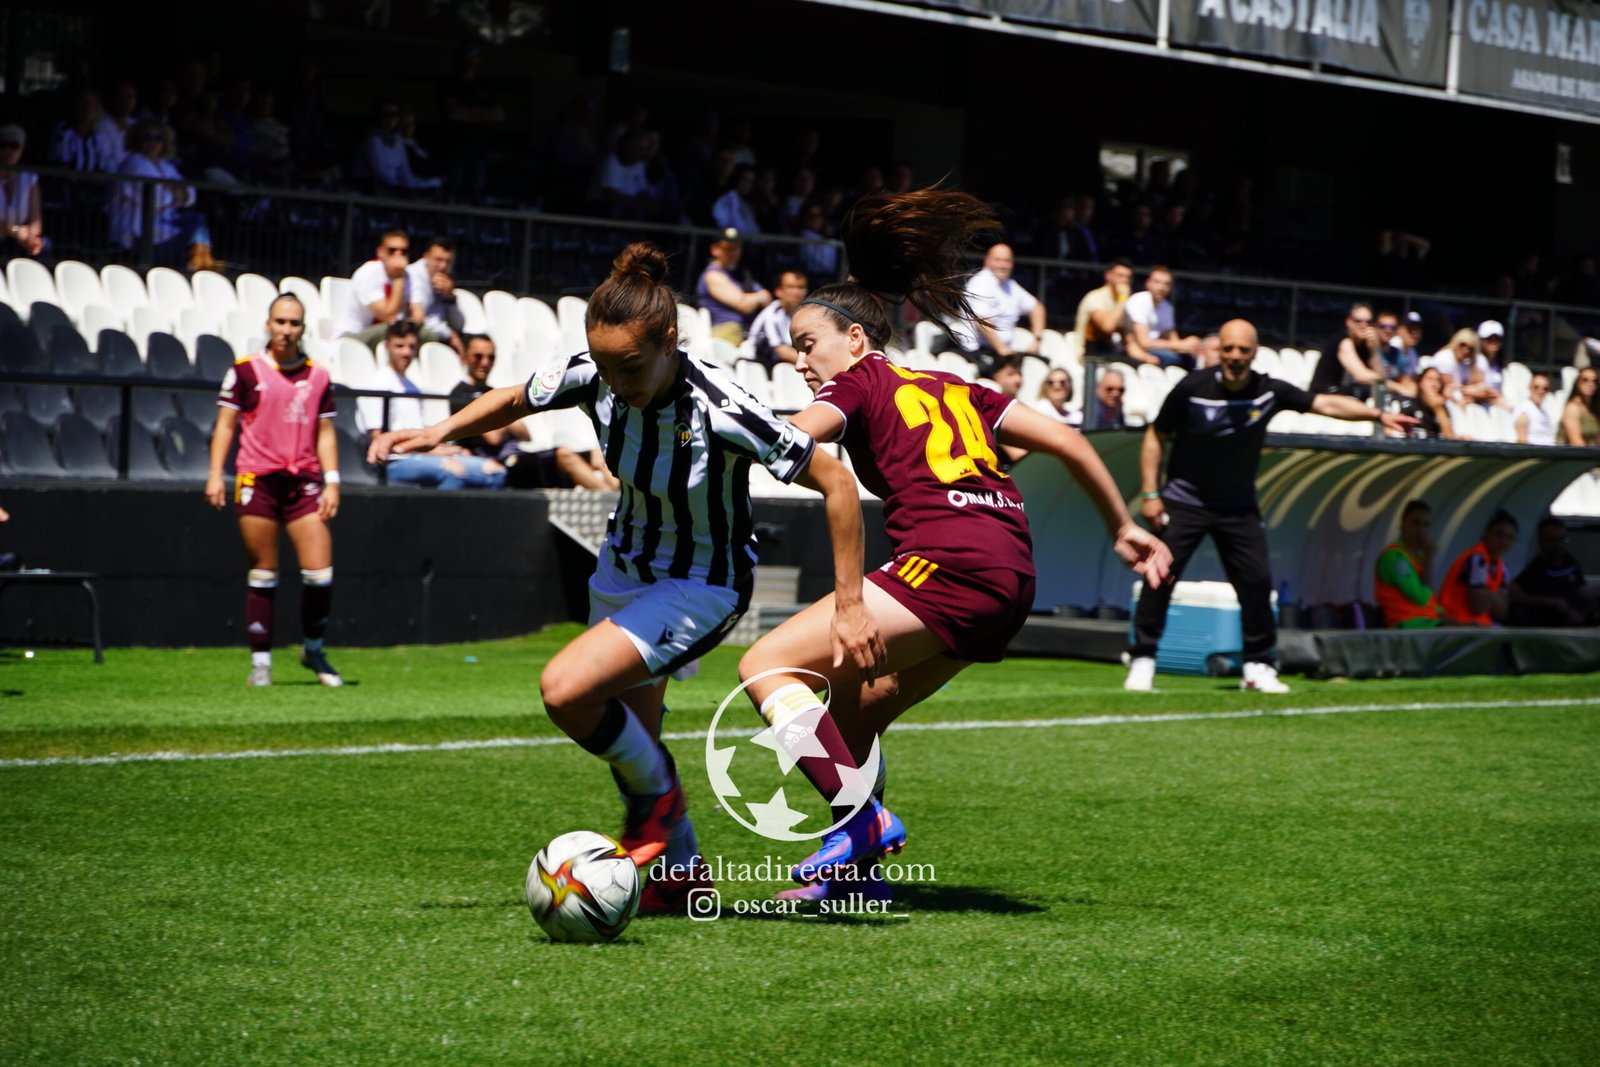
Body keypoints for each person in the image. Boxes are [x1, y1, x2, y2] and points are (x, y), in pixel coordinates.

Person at [367, 241, 878, 915]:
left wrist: (849, 603)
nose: (614, 381)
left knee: (567, 690)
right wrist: (440, 430)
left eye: (629, 365)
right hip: (623, 570)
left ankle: (670, 802)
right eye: (604, 366)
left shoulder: (721, 406)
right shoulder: (597, 371)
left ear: (669, 340)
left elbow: (836, 481)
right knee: (633, 740)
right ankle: (683, 874)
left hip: (704, 583)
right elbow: (516, 396)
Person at [735, 188, 1171, 902]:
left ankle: (857, 822)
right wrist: (1121, 524)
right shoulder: (956, 386)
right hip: (1011, 576)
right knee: (861, 702)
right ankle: (857, 874)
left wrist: (712, 425)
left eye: (807, 344)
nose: (800, 363)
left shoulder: (861, 381)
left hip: (947, 563)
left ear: (858, 341)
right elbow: (1064, 437)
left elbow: (791, 438)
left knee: (765, 665)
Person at [1127, 318, 1416, 693]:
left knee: (1256, 583)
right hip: (1185, 501)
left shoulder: (1267, 391)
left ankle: (1258, 667)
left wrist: (1378, 414)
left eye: (1242, 350)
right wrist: (1151, 494)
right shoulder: (1192, 388)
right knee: (1159, 576)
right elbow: (1155, 435)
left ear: (1254, 353)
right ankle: (1143, 659)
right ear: (1219, 351)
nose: (1234, 356)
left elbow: (1324, 402)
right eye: (1228, 348)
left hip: (1238, 506)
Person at [205, 293, 343, 688]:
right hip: (257, 479)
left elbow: (326, 433)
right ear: (268, 324)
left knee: (320, 574)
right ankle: (261, 661)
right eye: (280, 322)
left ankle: (312, 648)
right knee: (263, 573)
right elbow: (226, 425)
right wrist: (216, 473)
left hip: (303, 483)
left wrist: (332, 481)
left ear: (303, 328)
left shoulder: (318, 375)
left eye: (294, 323)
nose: (286, 330)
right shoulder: (245, 371)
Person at [448, 333, 617, 490]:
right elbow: (493, 437)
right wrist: (510, 419)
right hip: (497, 465)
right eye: (478, 356)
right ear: (464, 358)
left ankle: (623, 500)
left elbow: (526, 434)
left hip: (518, 456)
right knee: (562, 454)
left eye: (491, 357)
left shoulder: (491, 392)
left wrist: (506, 421)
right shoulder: (461, 393)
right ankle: (611, 503)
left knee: (597, 456)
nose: (485, 362)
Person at [360, 322, 505, 490]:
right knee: (453, 471)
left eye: (412, 347)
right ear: (387, 347)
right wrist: (428, 451)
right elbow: (378, 440)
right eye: (399, 346)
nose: (406, 352)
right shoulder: (378, 384)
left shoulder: (411, 386)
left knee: (495, 471)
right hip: (393, 461)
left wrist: (443, 448)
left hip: (418, 455)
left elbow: (419, 431)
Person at [109, 122, 221, 272]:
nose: (152, 142)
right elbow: (154, 199)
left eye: (158, 138)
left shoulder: (165, 165)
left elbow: (190, 195)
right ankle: (200, 262)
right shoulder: (134, 163)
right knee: (195, 226)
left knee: (197, 220)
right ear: (136, 139)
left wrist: (175, 193)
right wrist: (175, 193)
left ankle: (202, 260)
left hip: (163, 226)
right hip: (137, 236)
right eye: (146, 137)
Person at [947, 243, 1046, 360]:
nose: (1003, 265)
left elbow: (1037, 308)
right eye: (998, 260)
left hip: (1002, 352)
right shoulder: (981, 282)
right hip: (978, 353)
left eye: (1007, 261)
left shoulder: (1010, 285)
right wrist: (1003, 351)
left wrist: (1037, 339)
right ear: (987, 261)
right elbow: (981, 320)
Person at [1509, 517, 1598, 626]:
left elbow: (1582, 590)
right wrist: (1551, 602)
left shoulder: (1569, 561)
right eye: (1553, 540)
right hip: (1556, 620)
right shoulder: (1537, 568)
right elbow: (1513, 594)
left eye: (1562, 540)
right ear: (1542, 542)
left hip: (1579, 613)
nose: (1559, 545)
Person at [334, 230, 412, 348]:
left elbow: (414, 313)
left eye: (403, 252)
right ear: (381, 252)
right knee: (397, 332)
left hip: (385, 334)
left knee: (420, 334)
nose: (398, 255)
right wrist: (398, 278)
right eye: (392, 251)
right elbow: (387, 316)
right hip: (354, 335)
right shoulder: (368, 272)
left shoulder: (409, 275)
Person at [1438, 511, 1517, 627]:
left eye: (1509, 537)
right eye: (1499, 534)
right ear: (1487, 533)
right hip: (1456, 622)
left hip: (1479, 625)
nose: (1503, 541)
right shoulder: (1477, 558)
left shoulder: (1502, 567)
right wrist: (1495, 596)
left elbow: (1502, 611)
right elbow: (1477, 606)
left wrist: (1488, 596)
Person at [695, 228, 771, 345]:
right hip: (726, 331)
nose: (732, 253)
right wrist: (757, 298)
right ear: (715, 249)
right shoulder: (713, 275)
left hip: (748, 331)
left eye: (736, 248)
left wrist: (753, 298)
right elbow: (744, 305)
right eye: (727, 248)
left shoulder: (742, 274)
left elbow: (767, 298)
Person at [1374, 499, 1442, 629]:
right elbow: (1420, 598)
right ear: (1403, 524)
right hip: (1406, 629)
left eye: (1426, 525)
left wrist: (1460, 624)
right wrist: (1429, 557)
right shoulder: (1395, 557)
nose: (1421, 531)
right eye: (1415, 524)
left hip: (1426, 626)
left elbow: (1433, 605)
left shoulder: (1416, 559)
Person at [1121, 266, 1200, 369]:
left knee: (1192, 359)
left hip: (1157, 348)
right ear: (1148, 283)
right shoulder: (1139, 301)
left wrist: (1189, 345)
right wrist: (1180, 345)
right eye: (1157, 282)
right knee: (1174, 360)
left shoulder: (1167, 307)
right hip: (1135, 348)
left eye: (1166, 284)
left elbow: (1172, 337)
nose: (1161, 287)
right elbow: (1144, 342)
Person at [1310, 302, 1385, 399]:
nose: (1364, 325)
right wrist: (1396, 387)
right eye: (1358, 321)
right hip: (1324, 394)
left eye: (1368, 322)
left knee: (1375, 392)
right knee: (1364, 391)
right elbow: (1362, 376)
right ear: (1349, 322)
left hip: (1344, 393)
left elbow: (1380, 376)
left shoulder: (1365, 345)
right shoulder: (1343, 341)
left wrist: (1374, 350)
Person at [364, 99, 442, 192]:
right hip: (379, 188)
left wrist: (408, 188)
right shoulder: (374, 139)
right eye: (387, 114)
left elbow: (404, 170)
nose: (391, 118)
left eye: (395, 114)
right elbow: (380, 172)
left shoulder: (397, 140)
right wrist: (398, 187)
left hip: (398, 188)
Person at [405, 236, 466, 351]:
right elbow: (421, 318)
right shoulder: (413, 276)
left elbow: (459, 325)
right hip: (417, 330)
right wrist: (449, 334)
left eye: (448, 261)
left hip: (440, 330)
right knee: (433, 337)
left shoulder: (446, 281)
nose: (443, 266)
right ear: (426, 257)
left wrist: (450, 297)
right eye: (438, 260)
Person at [0, 125, 45, 261]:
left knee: (41, 249)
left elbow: (35, 219)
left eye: (14, 146)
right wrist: (16, 231)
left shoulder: (29, 179)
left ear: (21, 150)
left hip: (20, 242)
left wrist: (31, 235)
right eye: (3, 145)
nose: (8, 151)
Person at [746, 269, 807, 367]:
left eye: (800, 287)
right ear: (778, 291)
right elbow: (781, 351)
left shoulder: (801, 316)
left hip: (780, 367)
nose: (796, 292)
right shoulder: (771, 314)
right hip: (756, 366)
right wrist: (812, 362)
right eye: (790, 287)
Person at [1074, 259, 1133, 360]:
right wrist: (1122, 298)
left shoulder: (1123, 302)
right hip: (1089, 354)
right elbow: (1107, 326)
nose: (1125, 281)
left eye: (1128, 277)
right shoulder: (1095, 297)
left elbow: (1128, 338)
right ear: (1108, 275)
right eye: (1120, 276)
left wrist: (1146, 358)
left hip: (1111, 351)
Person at [1412, 366, 1464, 440]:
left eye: (1438, 381)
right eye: (1429, 379)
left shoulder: (1444, 408)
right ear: (1420, 383)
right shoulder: (1411, 405)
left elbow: (1450, 439)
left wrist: (1438, 409)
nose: (1434, 384)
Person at [1382, 310, 1423, 399]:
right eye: (1410, 329)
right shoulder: (1394, 345)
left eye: (1417, 329)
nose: (1414, 333)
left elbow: (1408, 379)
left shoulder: (1412, 352)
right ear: (1400, 330)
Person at [1514, 374, 1557, 445]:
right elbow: (1522, 443)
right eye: (1536, 387)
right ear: (1529, 388)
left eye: (1545, 389)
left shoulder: (1543, 412)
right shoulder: (1524, 411)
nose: (1541, 391)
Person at [1561, 367, 1599, 446]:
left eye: (1594, 381)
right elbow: (1576, 442)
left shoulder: (1592, 410)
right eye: (1585, 380)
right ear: (1578, 383)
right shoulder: (1572, 408)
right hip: (1573, 455)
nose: (1590, 384)